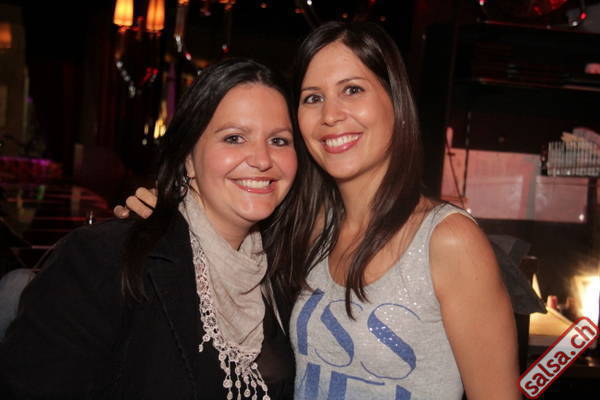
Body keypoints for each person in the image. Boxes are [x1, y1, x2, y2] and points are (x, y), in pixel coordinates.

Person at [116, 22, 520, 399]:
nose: (330, 115)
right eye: (313, 98)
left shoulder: (448, 241)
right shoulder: (307, 228)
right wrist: (167, 213)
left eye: (353, 90)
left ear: (395, 102)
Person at [0, 58, 301, 399]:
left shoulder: (285, 272)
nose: (262, 159)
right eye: (234, 138)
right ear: (188, 157)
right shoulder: (104, 260)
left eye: (279, 141)